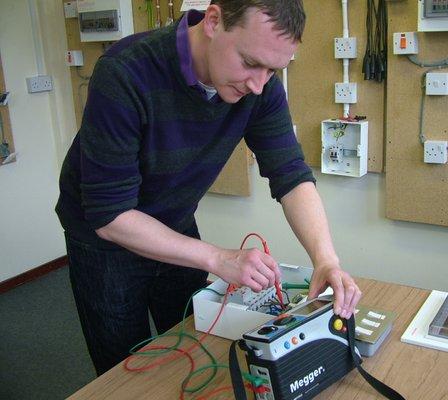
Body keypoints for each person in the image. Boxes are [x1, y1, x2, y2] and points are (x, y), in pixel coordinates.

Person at [55, 0, 362, 376]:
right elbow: (109, 214)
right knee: (123, 368)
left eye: (272, 69)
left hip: (174, 221)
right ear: (214, 21)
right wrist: (218, 259)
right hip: (103, 238)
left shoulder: (260, 86)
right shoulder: (125, 71)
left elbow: (292, 175)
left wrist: (326, 260)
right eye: (250, 62)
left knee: (195, 346)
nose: (258, 84)